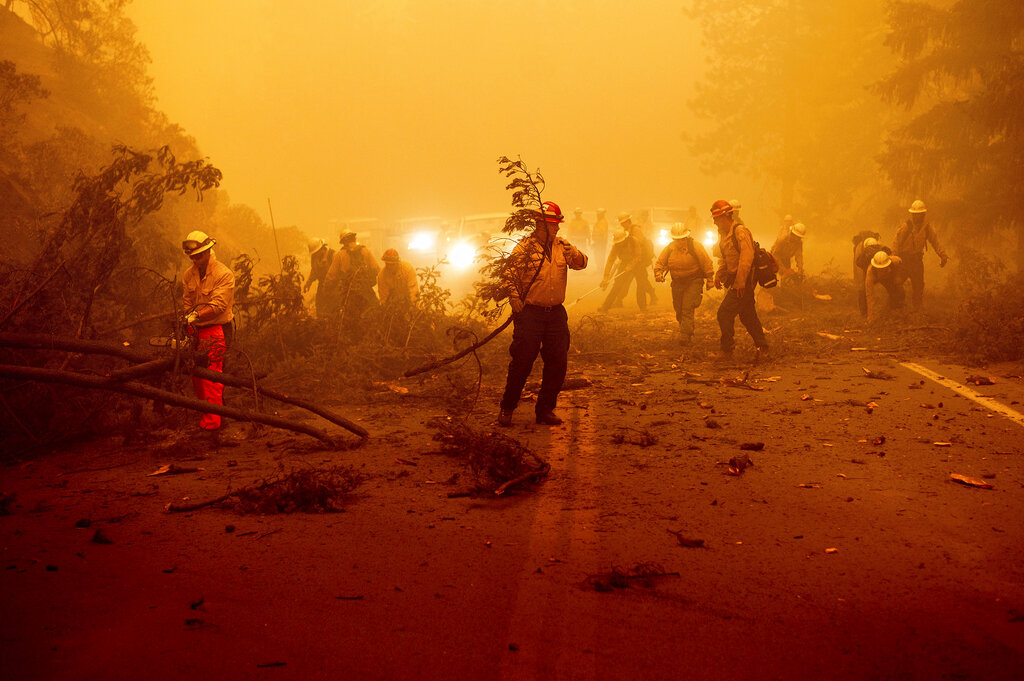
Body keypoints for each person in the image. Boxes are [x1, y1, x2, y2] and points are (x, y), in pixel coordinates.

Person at [498, 201, 587, 427]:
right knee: (522, 361)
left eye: (558, 224)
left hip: (556, 313)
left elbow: (581, 264)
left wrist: (574, 253)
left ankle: (545, 410)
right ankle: (507, 408)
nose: (557, 229)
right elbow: (509, 274)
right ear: (540, 225)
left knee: (558, 362)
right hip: (530, 314)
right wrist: (514, 297)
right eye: (553, 225)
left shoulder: (562, 246)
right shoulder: (524, 249)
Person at [181, 230, 235, 431]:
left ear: (208, 251)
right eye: (192, 257)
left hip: (216, 329)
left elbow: (219, 305)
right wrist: (188, 319)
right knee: (197, 378)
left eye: (198, 255)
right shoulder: (189, 275)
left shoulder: (224, 274)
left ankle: (213, 425)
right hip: (196, 330)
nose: (195, 260)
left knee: (211, 377)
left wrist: (196, 315)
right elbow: (187, 301)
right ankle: (212, 418)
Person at [711, 199, 768, 358]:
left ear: (724, 217)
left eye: (716, 219)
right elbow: (726, 257)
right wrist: (719, 275)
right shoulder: (724, 234)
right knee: (748, 315)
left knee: (724, 313)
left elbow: (746, 259)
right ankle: (763, 347)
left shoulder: (740, 231)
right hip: (737, 280)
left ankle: (727, 350)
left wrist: (740, 283)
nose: (714, 222)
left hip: (744, 281)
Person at [654, 222, 714, 345]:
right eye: (676, 239)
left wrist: (710, 279)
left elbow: (706, 262)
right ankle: (687, 329)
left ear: (686, 237)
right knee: (679, 309)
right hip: (677, 282)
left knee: (687, 307)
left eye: (681, 239)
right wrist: (658, 274)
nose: (679, 242)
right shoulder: (669, 249)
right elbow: (659, 263)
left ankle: (685, 335)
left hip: (694, 281)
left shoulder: (695, 247)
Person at [894, 199, 948, 308]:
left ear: (923, 214)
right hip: (903, 260)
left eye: (920, 214)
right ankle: (894, 307)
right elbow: (896, 242)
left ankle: (917, 312)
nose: (917, 217)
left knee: (918, 287)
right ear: (912, 214)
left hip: (917, 261)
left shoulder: (926, 228)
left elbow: (935, 241)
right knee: (896, 283)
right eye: (915, 214)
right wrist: (893, 257)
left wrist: (942, 255)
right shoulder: (906, 226)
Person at [324, 231, 380, 332]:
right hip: (366, 292)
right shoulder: (365, 251)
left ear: (343, 242)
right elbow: (376, 269)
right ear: (354, 239)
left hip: (349, 294)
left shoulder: (340, 255)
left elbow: (331, 277)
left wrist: (326, 291)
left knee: (350, 322)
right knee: (374, 314)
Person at [598, 225, 638, 312]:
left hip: (639, 264)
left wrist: (631, 265)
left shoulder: (633, 241)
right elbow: (610, 261)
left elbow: (637, 256)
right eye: (618, 243)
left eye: (620, 242)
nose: (619, 244)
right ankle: (606, 306)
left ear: (625, 239)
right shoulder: (616, 246)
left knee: (642, 284)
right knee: (617, 285)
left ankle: (645, 306)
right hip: (624, 263)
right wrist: (606, 277)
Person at [623, 215, 657, 308]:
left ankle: (648, 300)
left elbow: (640, 243)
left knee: (641, 281)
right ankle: (619, 300)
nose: (622, 224)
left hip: (640, 259)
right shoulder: (627, 230)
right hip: (633, 259)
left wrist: (636, 258)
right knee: (638, 280)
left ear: (628, 222)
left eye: (623, 222)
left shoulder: (635, 230)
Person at [864, 250, 906, 325]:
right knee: (863, 293)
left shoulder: (895, 260)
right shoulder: (870, 273)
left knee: (899, 291)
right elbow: (870, 296)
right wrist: (871, 316)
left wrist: (899, 277)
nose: (881, 270)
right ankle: (866, 315)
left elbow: (901, 262)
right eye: (879, 268)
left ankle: (898, 310)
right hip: (878, 279)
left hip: (890, 276)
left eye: (883, 268)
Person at [853, 235, 889, 316]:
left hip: (879, 273)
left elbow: (858, 263)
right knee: (864, 291)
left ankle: (865, 314)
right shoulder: (880, 249)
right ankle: (865, 313)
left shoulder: (865, 254)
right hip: (874, 274)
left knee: (863, 291)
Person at [303, 238, 336, 319]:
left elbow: (338, 272)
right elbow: (314, 271)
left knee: (333, 308)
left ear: (322, 249)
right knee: (320, 307)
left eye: (316, 253)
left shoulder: (333, 255)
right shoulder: (314, 257)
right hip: (322, 285)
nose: (314, 255)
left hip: (334, 287)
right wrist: (308, 283)